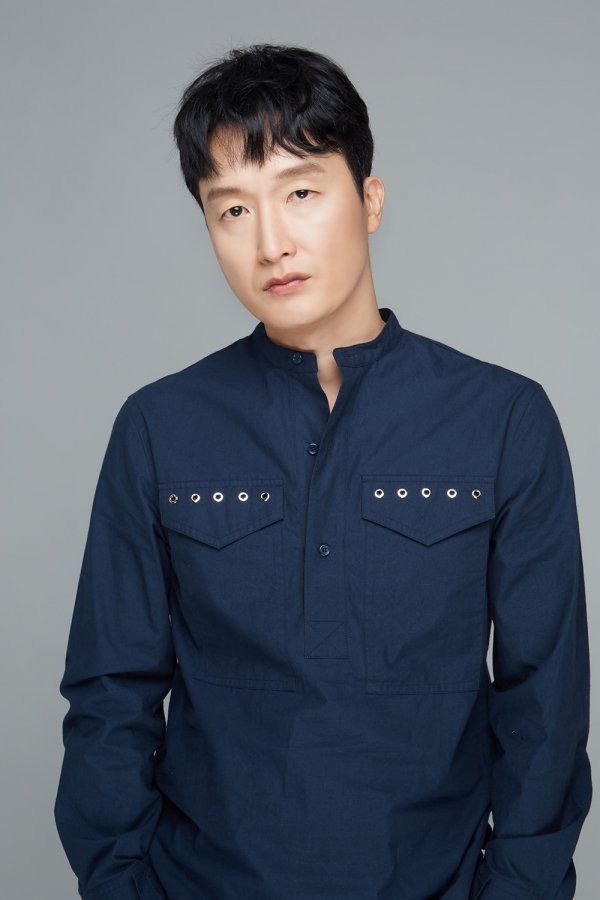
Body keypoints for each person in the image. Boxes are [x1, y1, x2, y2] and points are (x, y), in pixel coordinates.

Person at [54, 42, 592, 900]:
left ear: (369, 200)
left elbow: (546, 707)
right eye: (233, 210)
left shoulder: (503, 419)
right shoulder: (158, 427)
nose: (271, 243)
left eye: (301, 193)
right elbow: (109, 696)